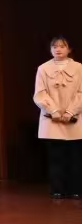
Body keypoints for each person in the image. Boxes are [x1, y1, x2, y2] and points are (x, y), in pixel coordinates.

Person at [35, 36, 82, 200]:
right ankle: (57, 189)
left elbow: (81, 92)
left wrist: (70, 112)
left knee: (76, 157)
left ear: (69, 49)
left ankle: (76, 189)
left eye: (62, 46)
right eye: (54, 47)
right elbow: (40, 93)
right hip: (52, 120)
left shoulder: (79, 68)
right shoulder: (43, 68)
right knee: (56, 157)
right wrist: (53, 110)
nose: (58, 49)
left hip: (75, 119)